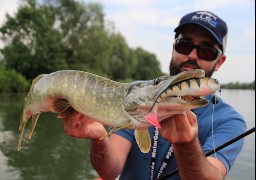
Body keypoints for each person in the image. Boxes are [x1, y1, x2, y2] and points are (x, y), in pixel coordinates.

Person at [62, 11, 246, 180]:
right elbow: (109, 172)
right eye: (184, 45)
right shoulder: (135, 95)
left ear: (219, 61)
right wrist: (99, 138)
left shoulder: (229, 121)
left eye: (206, 51)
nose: (192, 55)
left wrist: (186, 146)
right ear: (174, 48)